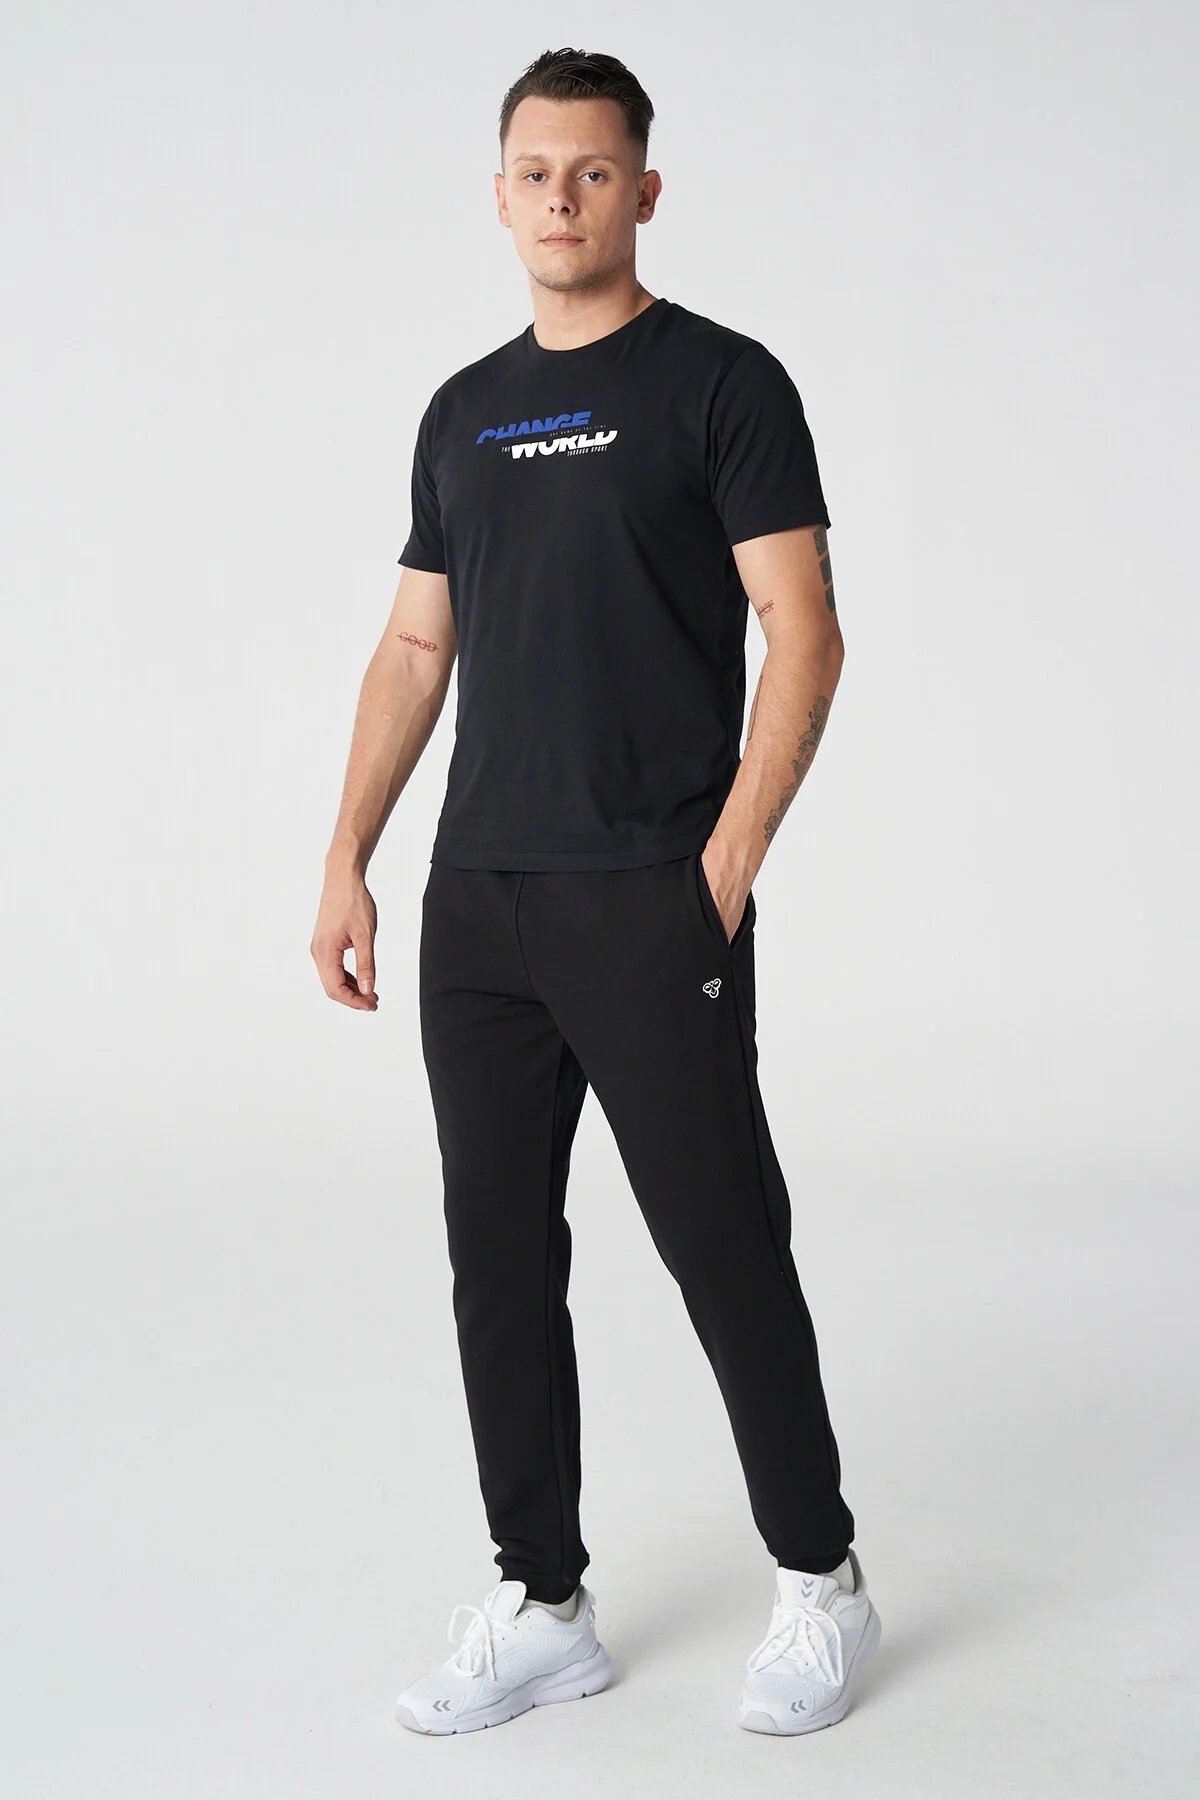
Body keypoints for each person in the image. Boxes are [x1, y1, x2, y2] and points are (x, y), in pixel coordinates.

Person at [311, 45, 881, 1739]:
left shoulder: (723, 384)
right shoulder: (463, 410)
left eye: (592, 170)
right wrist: (346, 853)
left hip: (650, 894)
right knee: (496, 1256)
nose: (561, 198)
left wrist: (726, 864)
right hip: (480, 900)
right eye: (533, 172)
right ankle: (542, 1600)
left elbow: (806, 632)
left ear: (643, 190)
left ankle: (822, 1578)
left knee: (722, 1243)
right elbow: (418, 646)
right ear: (499, 196)